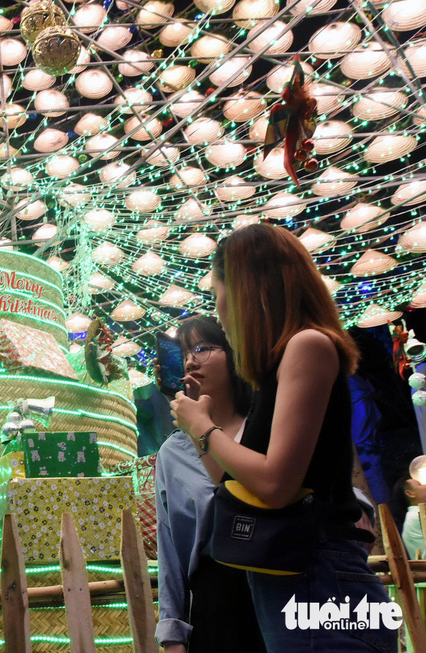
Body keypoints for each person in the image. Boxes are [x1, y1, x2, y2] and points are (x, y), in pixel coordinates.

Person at [172, 223, 396, 652]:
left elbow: (275, 484)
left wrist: (203, 428)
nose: (220, 315)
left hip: (320, 573)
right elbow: (235, 483)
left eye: (220, 299)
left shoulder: (307, 344)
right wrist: (203, 422)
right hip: (296, 575)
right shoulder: (274, 371)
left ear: (248, 291)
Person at [155, 315, 264, 653]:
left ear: (233, 355)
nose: (191, 360)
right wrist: (172, 634)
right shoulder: (173, 453)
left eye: (202, 348)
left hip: (277, 580)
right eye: (185, 353)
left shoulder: (262, 429)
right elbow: (169, 546)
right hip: (214, 600)